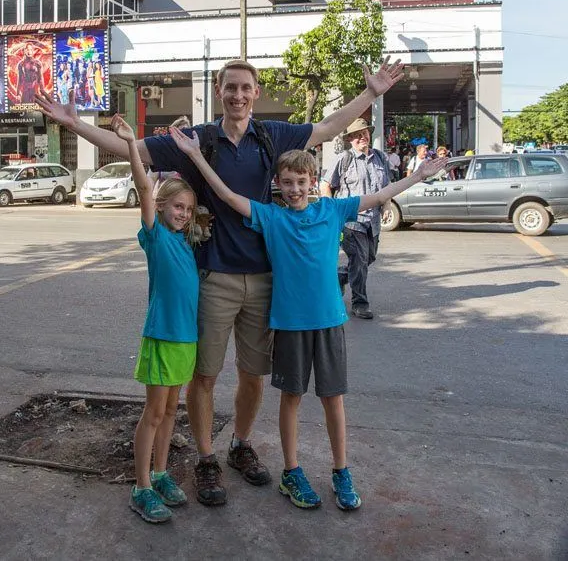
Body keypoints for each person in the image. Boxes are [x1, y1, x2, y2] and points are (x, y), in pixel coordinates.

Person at [35, 55, 404, 506]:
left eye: (246, 87)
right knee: (204, 377)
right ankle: (206, 457)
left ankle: (240, 444)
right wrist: (76, 124)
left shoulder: (270, 135)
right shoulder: (198, 140)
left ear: (256, 92)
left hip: (264, 280)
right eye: (231, 87)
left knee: (252, 375)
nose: (239, 95)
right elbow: (131, 151)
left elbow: (326, 128)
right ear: (218, 90)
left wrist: (370, 94)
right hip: (212, 277)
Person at [170, 126, 446, 511]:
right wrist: (197, 157)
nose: (295, 189)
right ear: (277, 186)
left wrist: (417, 175)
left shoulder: (332, 211)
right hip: (290, 325)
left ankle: (341, 470)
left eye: (301, 181)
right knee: (292, 398)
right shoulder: (270, 217)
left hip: (330, 321)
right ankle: (292, 471)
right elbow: (228, 196)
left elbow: (380, 195)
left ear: (313, 181)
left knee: (333, 399)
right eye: (287, 183)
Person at [110, 113, 199, 525]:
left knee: (172, 412)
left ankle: (161, 474)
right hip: (161, 337)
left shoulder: (185, 243)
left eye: (188, 209)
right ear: (161, 207)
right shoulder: (156, 236)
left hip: (186, 341)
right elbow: (145, 187)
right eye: (176, 207)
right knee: (155, 413)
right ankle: (141, 487)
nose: (182, 213)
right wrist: (132, 144)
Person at [320, 118, 390, 320]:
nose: (362, 137)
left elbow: (386, 188)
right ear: (350, 139)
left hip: (373, 221)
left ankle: (338, 276)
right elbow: (326, 184)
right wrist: (329, 209)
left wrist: (385, 205)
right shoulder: (344, 159)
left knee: (369, 258)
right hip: (351, 221)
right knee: (359, 260)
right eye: (357, 134)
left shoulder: (380, 158)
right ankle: (360, 303)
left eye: (365, 132)